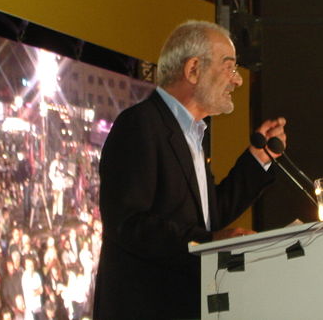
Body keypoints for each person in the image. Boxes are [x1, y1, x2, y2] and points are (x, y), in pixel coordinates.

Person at [93, 20, 286, 319]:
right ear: (193, 69)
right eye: (229, 67)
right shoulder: (140, 124)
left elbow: (209, 217)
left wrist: (258, 158)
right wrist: (207, 244)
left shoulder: (191, 135)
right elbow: (128, 223)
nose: (237, 80)